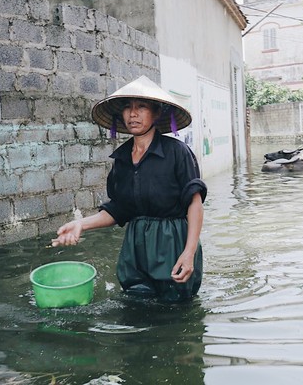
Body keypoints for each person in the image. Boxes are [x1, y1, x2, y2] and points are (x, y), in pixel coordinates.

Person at [51, 75, 207, 302]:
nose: (132, 114)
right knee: (135, 306)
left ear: (156, 113)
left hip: (172, 243)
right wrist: (80, 225)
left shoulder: (177, 152)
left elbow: (195, 203)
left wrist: (189, 252)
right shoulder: (122, 159)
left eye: (141, 107)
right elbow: (119, 210)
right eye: (127, 107)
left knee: (175, 312)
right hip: (135, 249)